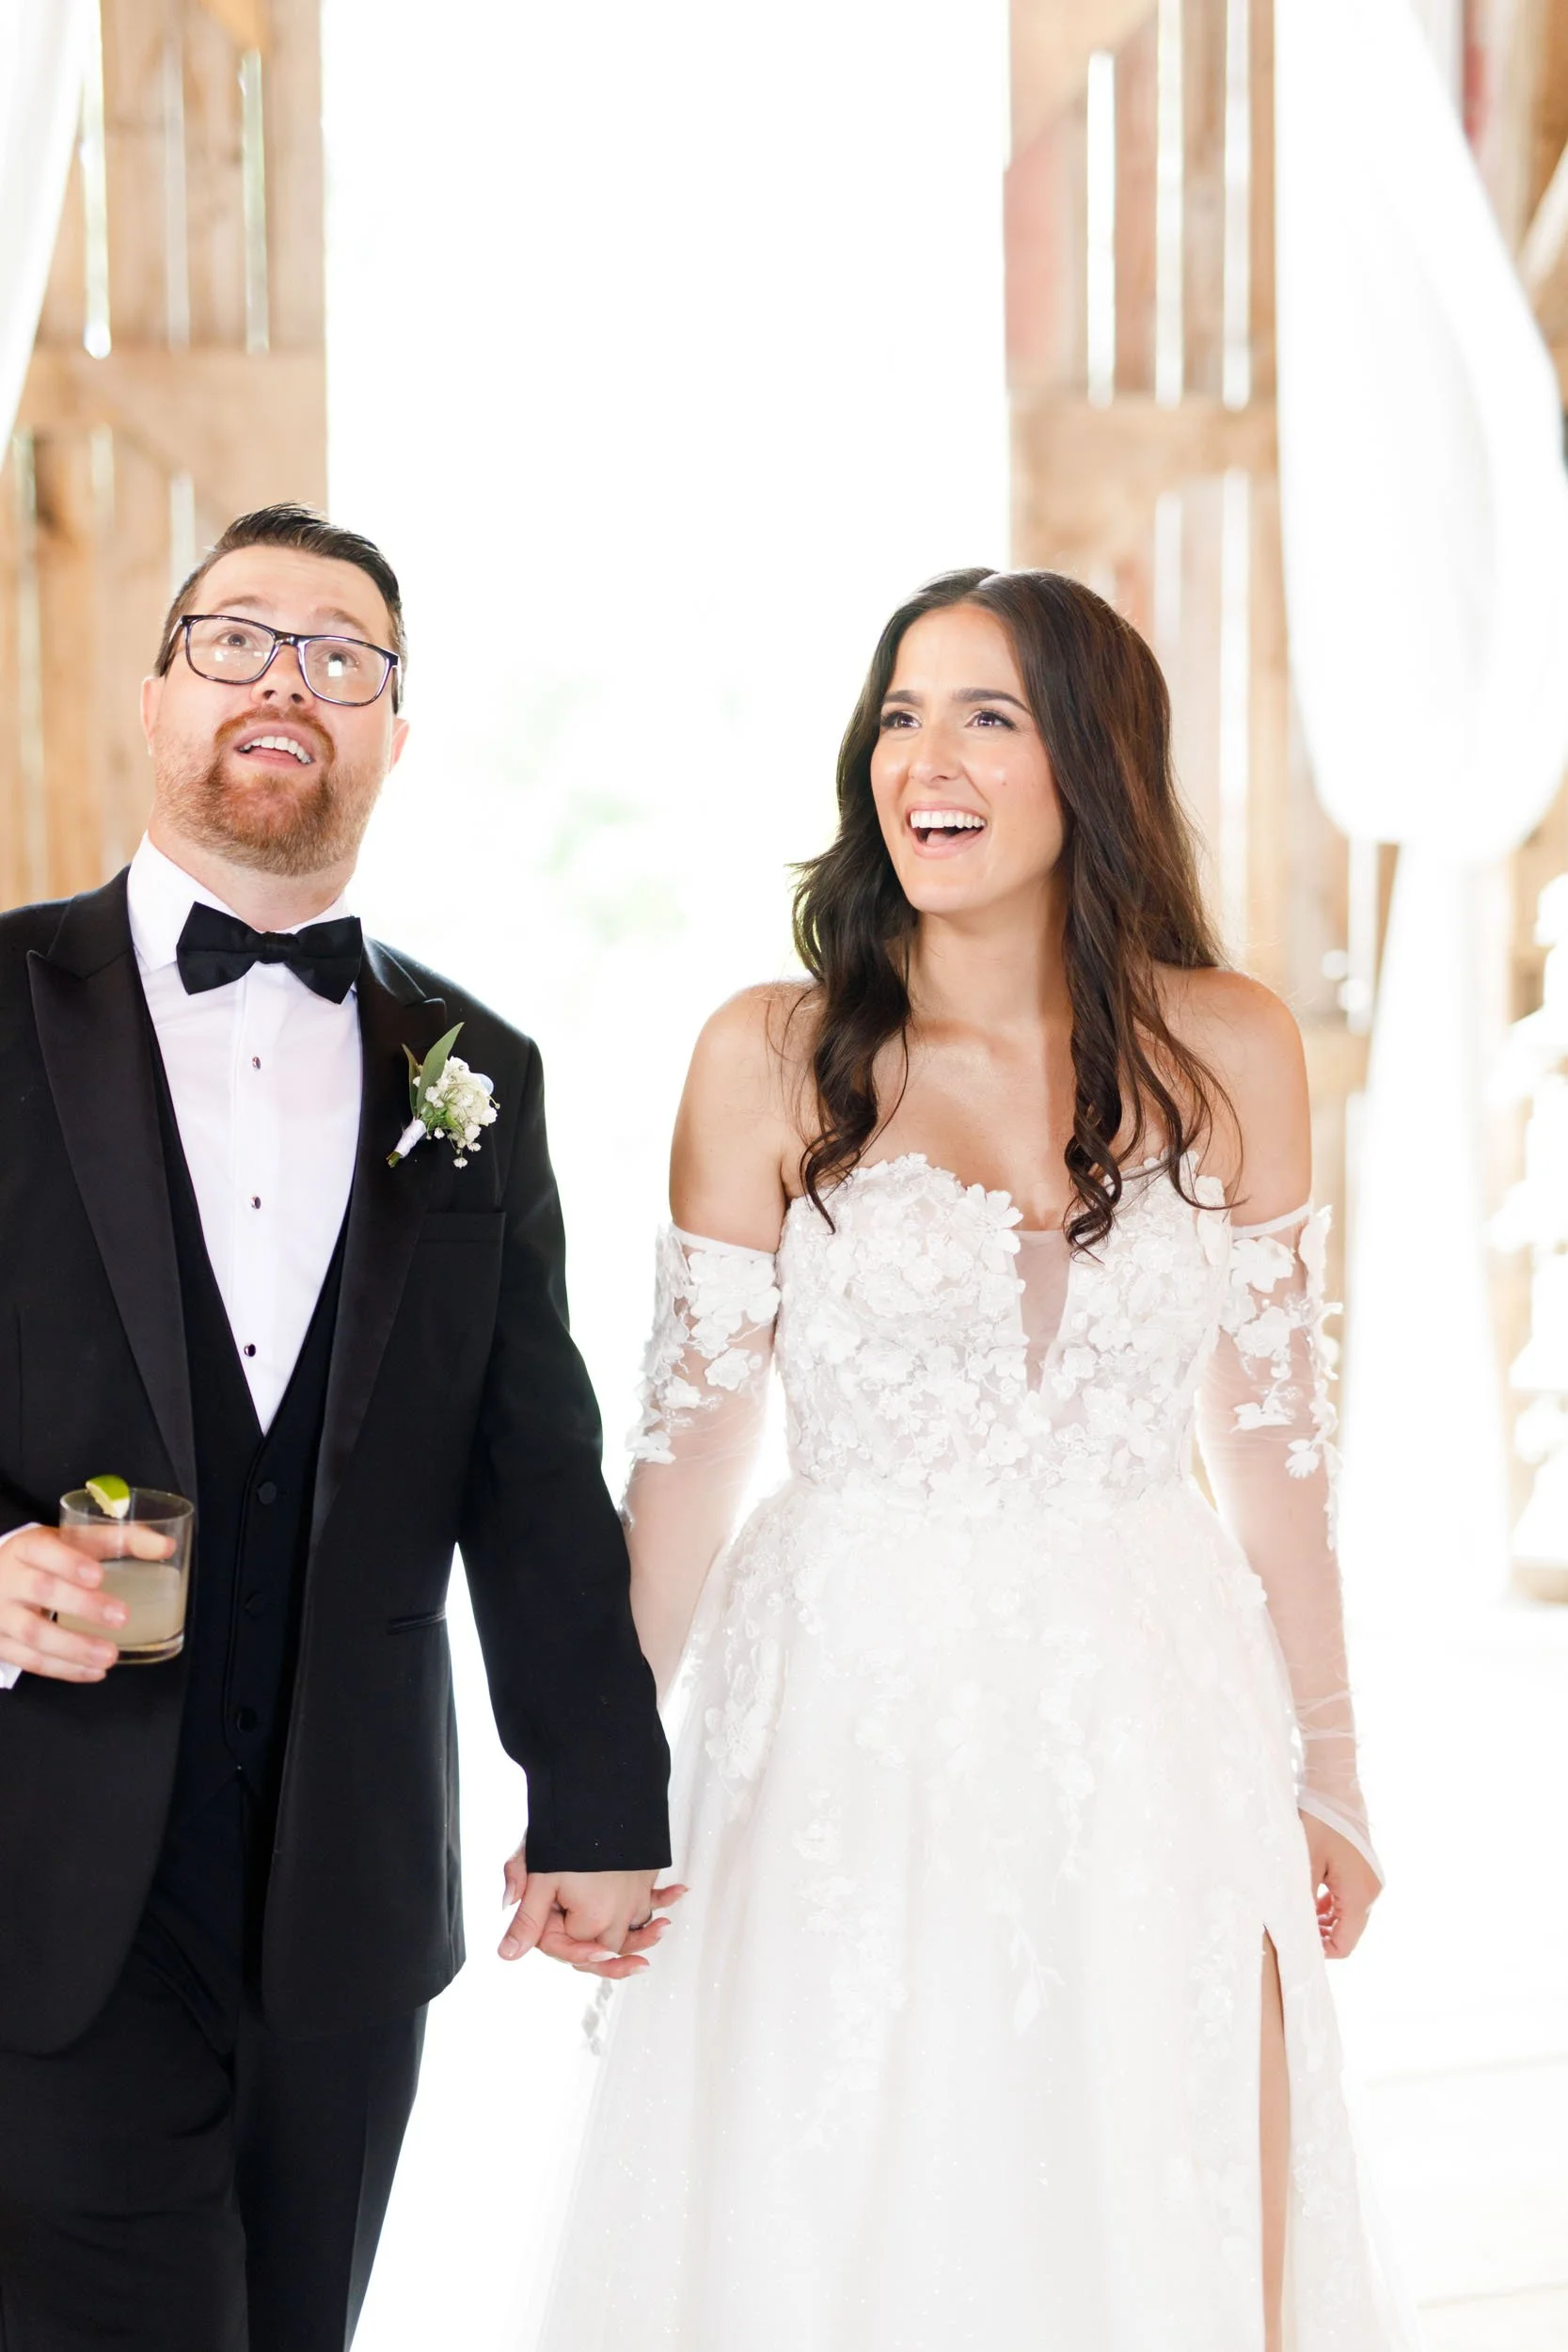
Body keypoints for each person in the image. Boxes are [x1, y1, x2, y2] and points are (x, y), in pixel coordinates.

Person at [536, 568, 1416, 2349]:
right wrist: (595, 1790)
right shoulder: (770, 1059)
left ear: (1091, 763)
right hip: (846, 1714)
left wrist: (1329, 1770)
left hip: (1151, 1710)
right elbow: (687, 1466)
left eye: (985, 716)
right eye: (899, 715)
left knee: (1161, 2180)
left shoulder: (1230, 1047)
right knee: (849, 2188)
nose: (922, 759)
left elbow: (1273, 1452)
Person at [0, 505, 673, 2352]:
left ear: (391, 727)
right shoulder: (0, 1001)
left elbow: (531, 1468)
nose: (288, 678)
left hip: (348, 1889)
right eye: (237, 638)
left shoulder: (476, 1071)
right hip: (47, 1863)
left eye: (342, 654)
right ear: (155, 695)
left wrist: (599, 1799)